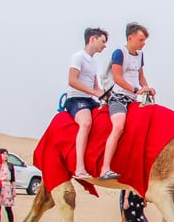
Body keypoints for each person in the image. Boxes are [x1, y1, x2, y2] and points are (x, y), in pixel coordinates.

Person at [99, 22, 155, 181]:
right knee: (118, 126)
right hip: (119, 97)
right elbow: (117, 78)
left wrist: (147, 88)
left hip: (133, 98)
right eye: (141, 39)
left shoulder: (140, 55)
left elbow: (141, 76)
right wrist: (136, 90)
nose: (144, 43)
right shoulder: (120, 53)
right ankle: (105, 168)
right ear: (130, 38)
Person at [65, 27, 109, 179]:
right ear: (92, 39)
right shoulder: (78, 57)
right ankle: (79, 167)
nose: (104, 45)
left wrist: (106, 95)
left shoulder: (93, 61)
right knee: (86, 123)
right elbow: (72, 80)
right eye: (102, 41)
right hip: (76, 98)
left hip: (90, 99)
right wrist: (94, 93)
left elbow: (96, 87)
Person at [0, 148, 15, 222]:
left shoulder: (10, 165)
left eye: (6, 154)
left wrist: (13, 189)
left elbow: (13, 179)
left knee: (8, 207)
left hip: (7, 186)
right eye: (3, 154)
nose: (5, 155)